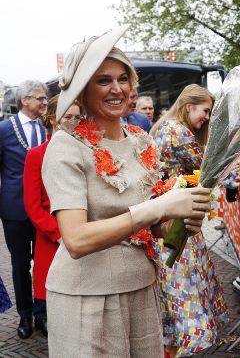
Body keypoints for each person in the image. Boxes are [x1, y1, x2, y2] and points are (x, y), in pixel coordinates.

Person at [41, 27, 211, 357]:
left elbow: (152, 227)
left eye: (123, 78)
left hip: (143, 289)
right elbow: (76, 240)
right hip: (87, 298)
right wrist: (160, 208)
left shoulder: (141, 142)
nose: (116, 88)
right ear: (83, 91)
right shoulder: (66, 146)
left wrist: (181, 219)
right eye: (103, 80)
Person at [151, 84, 227, 357]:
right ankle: (176, 346)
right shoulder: (178, 132)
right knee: (183, 288)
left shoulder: (165, 126)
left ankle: (170, 347)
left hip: (171, 214)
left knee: (173, 289)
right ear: (188, 106)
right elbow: (207, 169)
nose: (206, 117)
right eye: (205, 111)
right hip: (175, 221)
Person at [22, 95, 81, 337]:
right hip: (51, 236)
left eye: (78, 118)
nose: (74, 123)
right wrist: (60, 234)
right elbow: (33, 205)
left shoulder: (85, 151)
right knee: (52, 292)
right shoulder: (37, 154)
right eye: (68, 117)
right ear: (53, 119)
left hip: (81, 234)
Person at [0, 79, 48, 339]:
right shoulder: (4, 129)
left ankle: (42, 314)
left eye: (44, 98)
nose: (44, 102)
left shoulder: (46, 128)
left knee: (42, 263)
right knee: (19, 265)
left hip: (42, 208)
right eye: (40, 98)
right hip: (14, 209)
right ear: (25, 100)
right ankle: (25, 315)